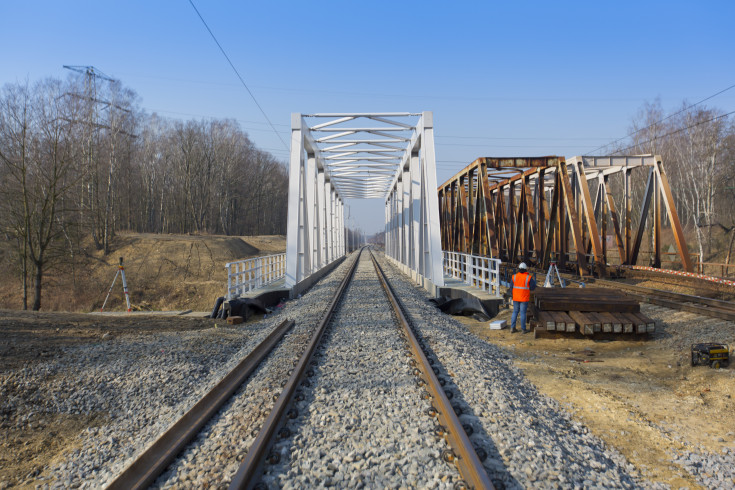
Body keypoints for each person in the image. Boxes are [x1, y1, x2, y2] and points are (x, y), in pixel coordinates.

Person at [510, 262, 536, 334]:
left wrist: (513, 294)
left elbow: (511, 287)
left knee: (515, 312)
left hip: (515, 298)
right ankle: (523, 329)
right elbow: (533, 287)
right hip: (524, 298)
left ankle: (512, 328)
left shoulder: (514, 277)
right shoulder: (528, 278)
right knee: (523, 313)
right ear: (525, 269)